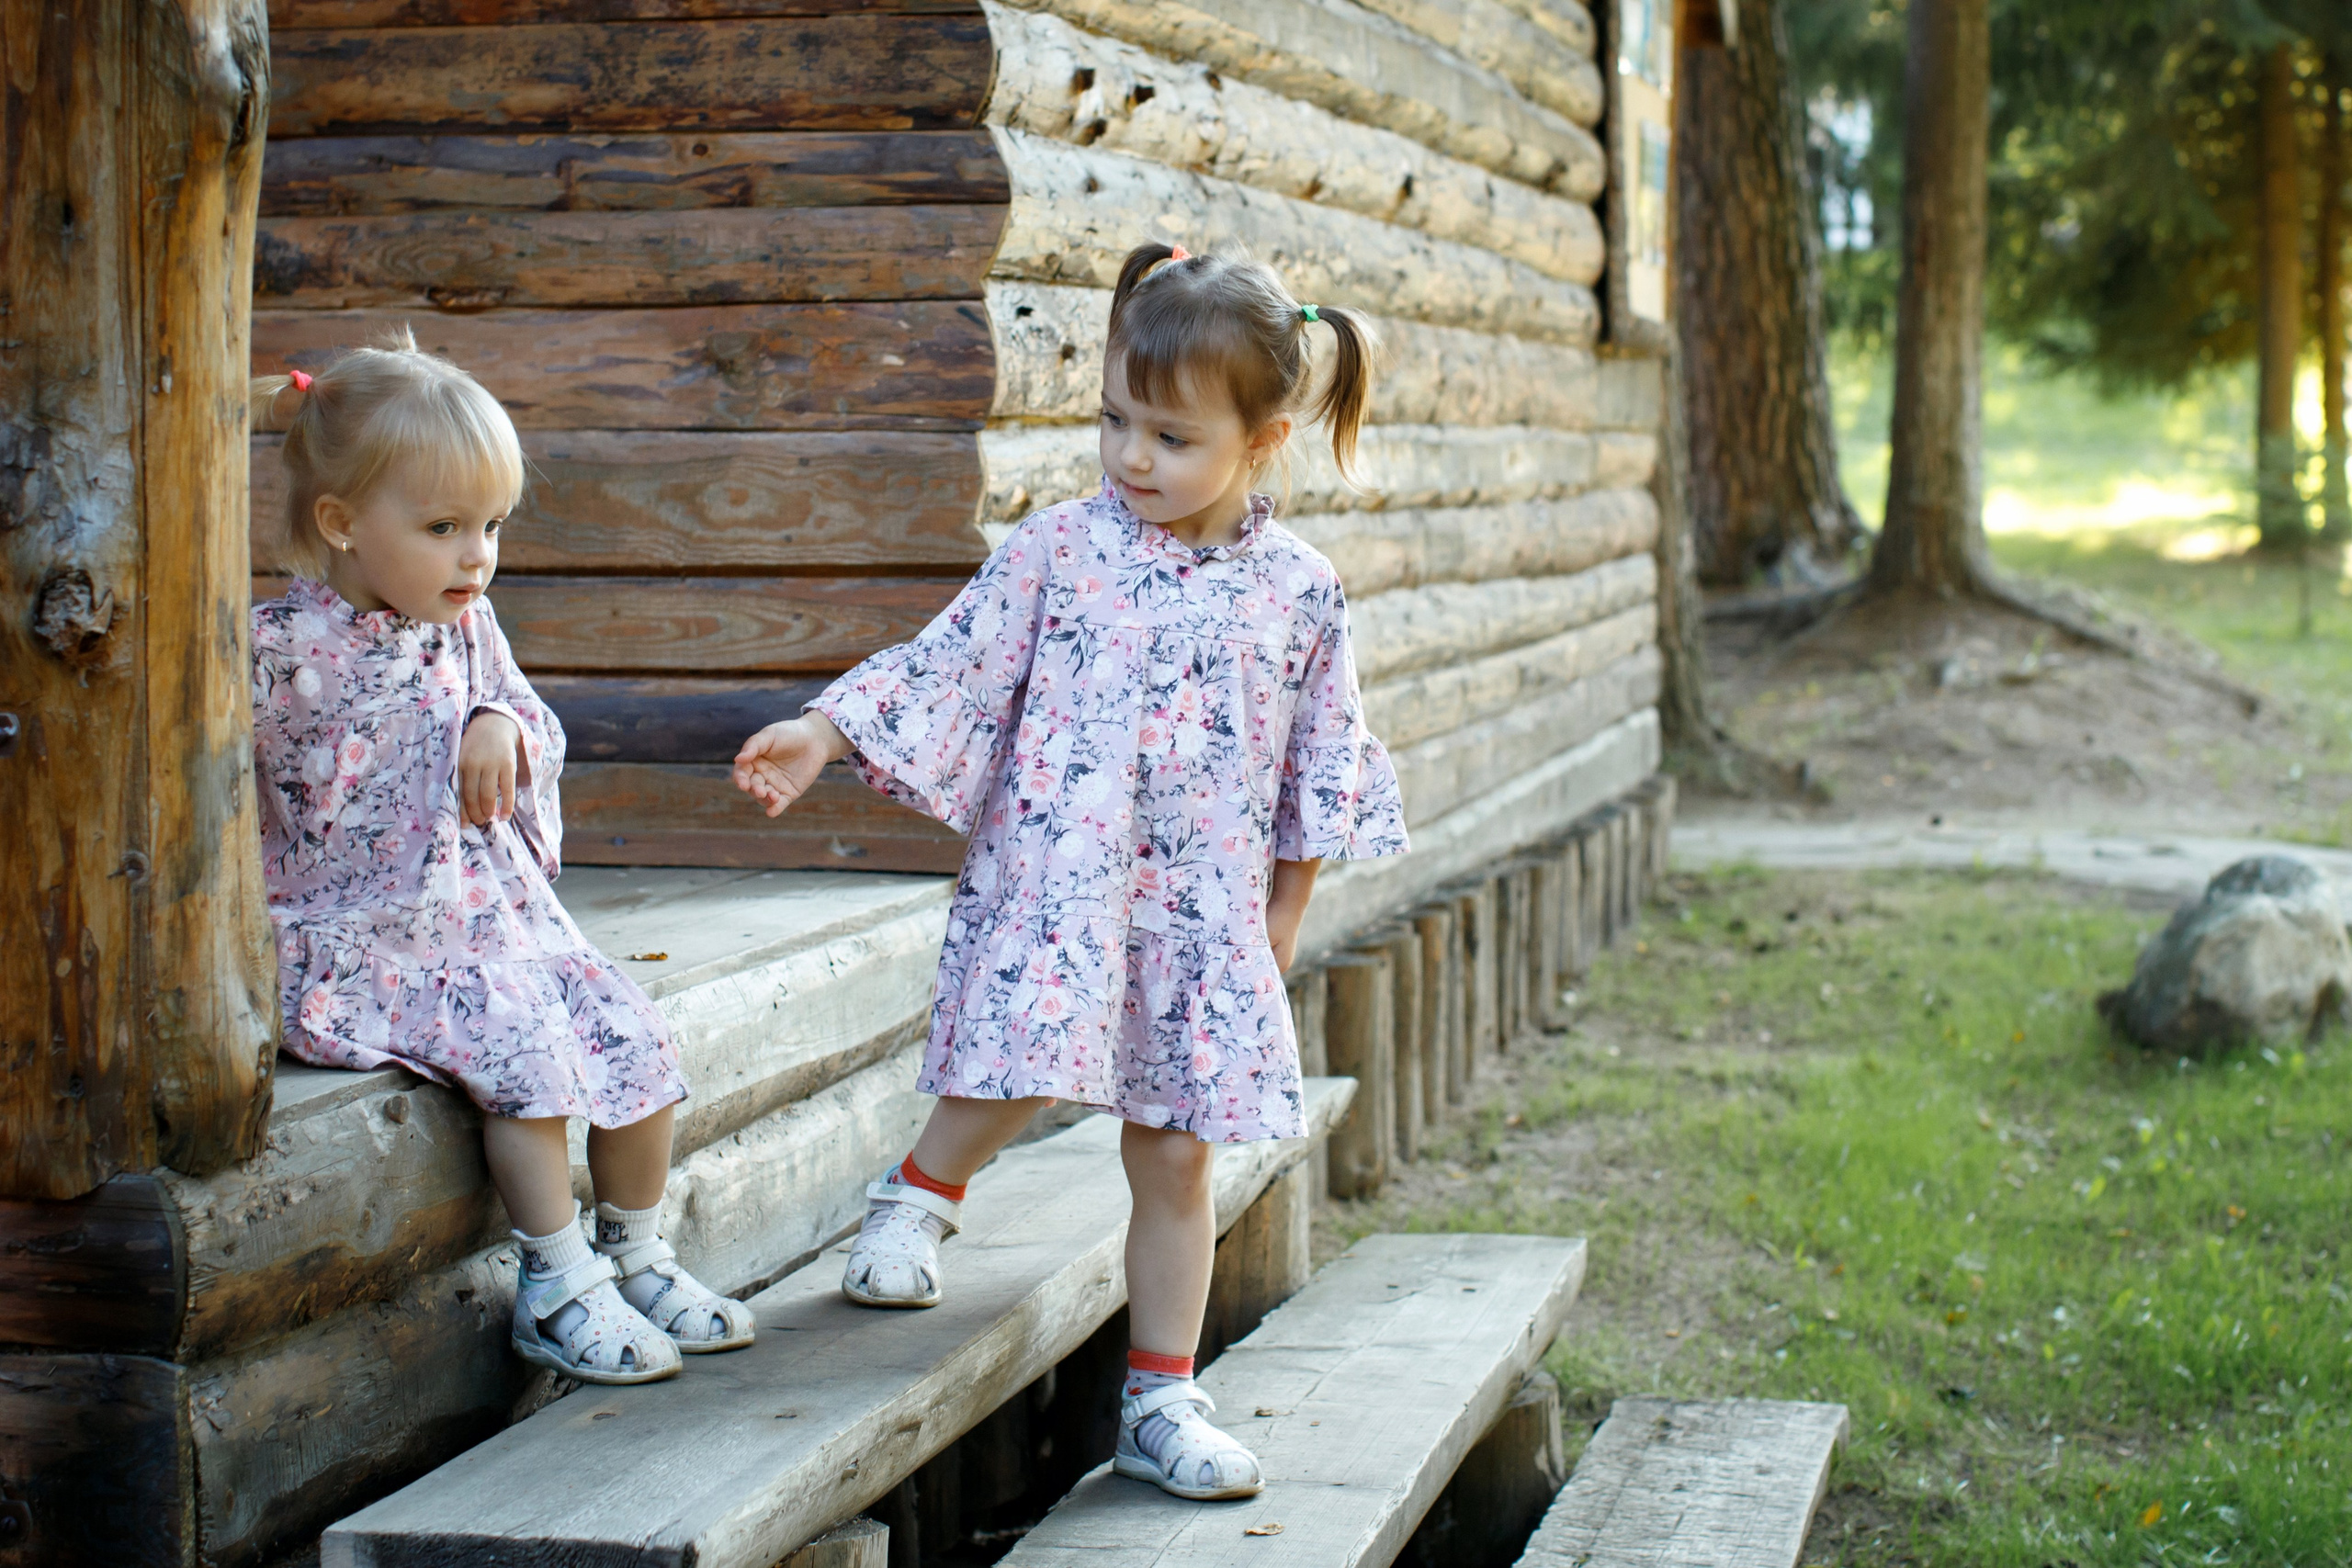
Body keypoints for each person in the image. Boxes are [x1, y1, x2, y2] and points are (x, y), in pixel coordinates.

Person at [731, 243, 1408, 1498]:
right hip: (1064, 887)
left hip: (1200, 914)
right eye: (1113, 420)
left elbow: (1322, 760)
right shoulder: (1061, 551)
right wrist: (824, 731)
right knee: (1021, 1067)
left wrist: (1285, 909)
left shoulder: (1302, 594)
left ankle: (1159, 1399)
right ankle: (919, 1191)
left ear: (1262, 442)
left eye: (1171, 436)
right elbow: (953, 660)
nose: (1130, 456)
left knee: (1177, 1155)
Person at [249, 333, 753, 1387]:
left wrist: (500, 722)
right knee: (527, 1057)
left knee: (635, 1041)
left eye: (490, 526)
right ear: (340, 524)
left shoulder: (469, 629)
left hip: (493, 924)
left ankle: (634, 1254)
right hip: (374, 933)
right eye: (443, 528)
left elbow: (527, 721)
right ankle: (555, 1281)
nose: (475, 555)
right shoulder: (274, 649)